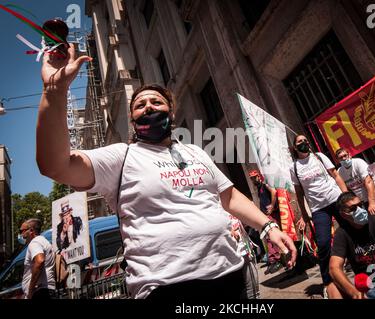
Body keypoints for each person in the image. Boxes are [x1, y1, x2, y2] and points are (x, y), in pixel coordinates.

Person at [35, 44, 296, 299]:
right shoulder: (120, 157)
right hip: (165, 286)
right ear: (133, 119)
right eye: (140, 105)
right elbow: (55, 166)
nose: (148, 106)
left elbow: (229, 197)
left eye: (156, 102)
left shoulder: (195, 152)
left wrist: (267, 226)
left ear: (171, 113)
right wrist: (54, 91)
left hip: (231, 273)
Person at [290, 134, 348, 298]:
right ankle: (328, 282)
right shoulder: (294, 167)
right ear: (295, 147)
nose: (304, 143)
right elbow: (299, 193)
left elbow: (336, 175)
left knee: (352, 231)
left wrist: (346, 196)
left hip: (336, 199)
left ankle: (362, 265)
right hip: (318, 208)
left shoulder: (319, 157)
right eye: (299, 142)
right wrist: (304, 214)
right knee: (322, 244)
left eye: (305, 140)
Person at [336, 148, 375, 216]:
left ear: (349, 155)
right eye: (341, 158)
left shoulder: (358, 162)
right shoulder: (340, 172)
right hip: (363, 202)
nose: (344, 158)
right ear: (338, 160)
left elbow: (369, 182)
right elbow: (347, 191)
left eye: (345, 155)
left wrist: (372, 203)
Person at [248, 170, 283, 274]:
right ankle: (273, 259)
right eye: (252, 178)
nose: (254, 180)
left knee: (272, 236)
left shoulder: (264, 184)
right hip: (266, 216)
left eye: (255, 177)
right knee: (268, 238)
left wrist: (272, 206)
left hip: (272, 215)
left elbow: (274, 191)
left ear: (259, 176)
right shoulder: (259, 188)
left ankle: (277, 259)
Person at [19, 219, 56, 299]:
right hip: (47, 290)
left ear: (31, 231)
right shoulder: (45, 242)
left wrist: (30, 290)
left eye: (22, 231)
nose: (21, 235)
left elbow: (39, 261)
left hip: (39, 292)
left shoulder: (34, 243)